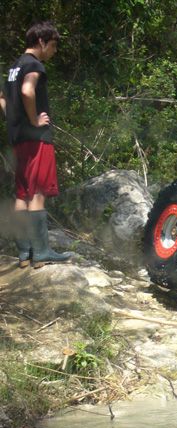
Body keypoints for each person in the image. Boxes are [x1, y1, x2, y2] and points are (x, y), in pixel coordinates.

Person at [0, 20, 71, 268]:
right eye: (52, 46)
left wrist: (14, 120)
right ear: (41, 42)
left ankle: (24, 252)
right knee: (38, 190)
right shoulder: (33, 65)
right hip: (36, 139)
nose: (53, 52)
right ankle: (41, 252)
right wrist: (34, 120)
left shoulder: (14, 68)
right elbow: (28, 92)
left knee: (22, 193)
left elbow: (2, 97)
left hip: (18, 140)